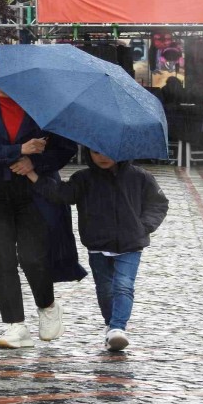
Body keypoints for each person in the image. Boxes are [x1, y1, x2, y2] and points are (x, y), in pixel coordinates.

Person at [0, 59, 86, 349]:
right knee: (1, 259)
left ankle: (47, 306)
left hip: (35, 191)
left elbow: (64, 148)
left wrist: (34, 162)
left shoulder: (44, 107)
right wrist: (19, 149)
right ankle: (15, 325)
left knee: (33, 257)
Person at [23, 148, 169, 352]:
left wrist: (143, 227)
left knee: (123, 285)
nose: (102, 157)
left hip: (130, 244)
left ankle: (118, 327)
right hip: (97, 244)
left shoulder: (140, 177)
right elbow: (61, 194)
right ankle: (111, 326)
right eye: (96, 152)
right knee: (105, 288)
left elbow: (158, 204)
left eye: (107, 152)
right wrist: (33, 175)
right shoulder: (84, 178)